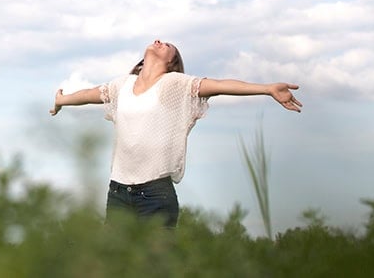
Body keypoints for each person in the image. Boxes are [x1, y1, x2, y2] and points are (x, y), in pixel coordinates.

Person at [49, 39, 302, 228]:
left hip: (155, 194)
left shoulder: (175, 85)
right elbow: (90, 94)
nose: (159, 41)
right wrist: (62, 100)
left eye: (168, 45)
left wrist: (268, 88)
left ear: (172, 62)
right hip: (117, 193)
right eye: (158, 40)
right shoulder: (121, 85)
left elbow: (221, 85)